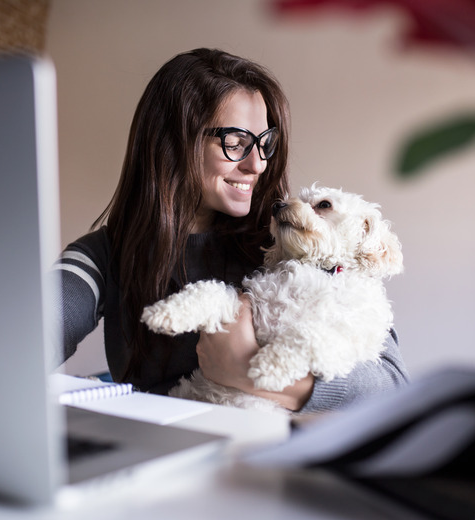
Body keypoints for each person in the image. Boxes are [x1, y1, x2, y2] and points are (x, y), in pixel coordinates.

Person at [54, 48, 408, 413]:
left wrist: (247, 371)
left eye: (265, 143)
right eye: (235, 143)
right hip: (162, 454)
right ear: (174, 143)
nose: (257, 164)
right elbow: (27, 337)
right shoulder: (105, 255)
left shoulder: (289, 244)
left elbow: (393, 384)